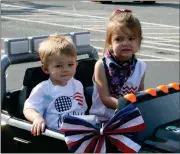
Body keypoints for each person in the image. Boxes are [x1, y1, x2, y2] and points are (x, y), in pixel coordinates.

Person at [23, 36, 87, 136]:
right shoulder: (43, 89)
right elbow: (29, 108)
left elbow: (82, 109)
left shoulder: (77, 85)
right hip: (56, 136)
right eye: (59, 66)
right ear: (45, 69)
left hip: (79, 133)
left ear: (76, 65)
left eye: (70, 64)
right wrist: (37, 117)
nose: (65, 69)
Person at [89, 9, 146, 122]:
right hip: (103, 120)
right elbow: (105, 98)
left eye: (131, 38)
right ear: (110, 41)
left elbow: (139, 95)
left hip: (128, 118)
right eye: (119, 39)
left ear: (139, 41)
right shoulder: (101, 65)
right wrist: (130, 107)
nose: (125, 43)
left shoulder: (141, 66)